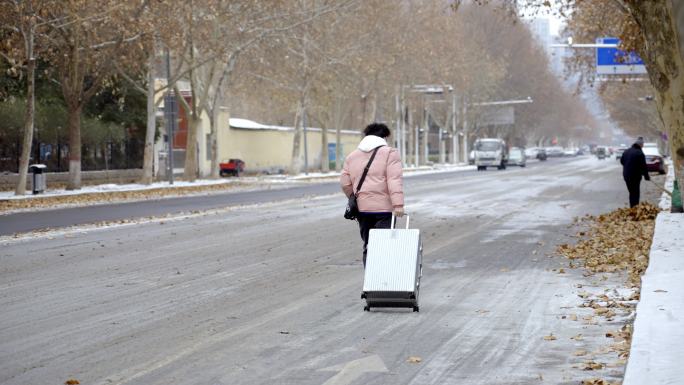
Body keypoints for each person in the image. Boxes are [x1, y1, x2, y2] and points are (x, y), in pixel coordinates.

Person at [341, 123, 404, 267]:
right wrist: (398, 205)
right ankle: (382, 280)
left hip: (362, 210)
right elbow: (393, 180)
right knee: (384, 245)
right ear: (384, 137)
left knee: (369, 244)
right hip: (385, 210)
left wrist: (356, 197)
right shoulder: (390, 153)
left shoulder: (352, 156)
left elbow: (345, 182)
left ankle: (370, 281)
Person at [620, 137, 650, 207]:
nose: (643, 145)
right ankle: (634, 208)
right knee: (635, 193)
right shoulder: (640, 153)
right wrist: (646, 176)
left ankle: (632, 208)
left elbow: (622, 161)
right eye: (643, 144)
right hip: (635, 177)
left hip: (626, 175)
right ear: (641, 144)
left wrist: (628, 166)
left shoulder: (626, 151)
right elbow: (643, 166)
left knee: (631, 192)